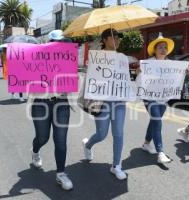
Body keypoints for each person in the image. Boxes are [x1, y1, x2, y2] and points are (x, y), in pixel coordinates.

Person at [30, 30, 75, 190]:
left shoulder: (68, 61)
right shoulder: (37, 59)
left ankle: (61, 173)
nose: (59, 46)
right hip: (41, 103)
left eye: (62, 43)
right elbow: (28, 83)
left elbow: (73, 84)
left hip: (61, 103)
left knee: (61, 140)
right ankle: (35, 151)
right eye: (56, 43)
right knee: (42, 138)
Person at [81, 28, 128, 180]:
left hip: (119, 101)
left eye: (118, 38)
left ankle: (116, 165)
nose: (117, 40)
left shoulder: (122, 58)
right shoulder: (97, 57)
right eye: (114, 37)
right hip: (101, 102)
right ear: (105, 40)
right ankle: (88, 145)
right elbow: (92, 79)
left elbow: (125, 79)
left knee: (119, 134)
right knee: (102, 134)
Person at [139, 33, 174, 164]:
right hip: (149, 98)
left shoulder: (171, 64)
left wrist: (183, 73)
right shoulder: (148, 63)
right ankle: (160, 152)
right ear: (155, 50)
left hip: (163, 98)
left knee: (154, 120)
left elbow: (176, 79)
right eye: (160, 47)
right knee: (157, 121)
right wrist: (139, 73)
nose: (163, 49)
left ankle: (146, 143)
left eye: (165, 47)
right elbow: (140, 79)